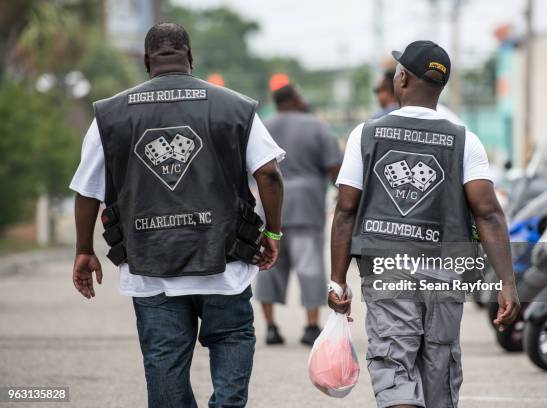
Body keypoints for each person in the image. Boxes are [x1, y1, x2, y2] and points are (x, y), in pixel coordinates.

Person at [69, 23, 286, 408]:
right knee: (232, 338)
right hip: (226, 267)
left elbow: (88, 190)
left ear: (147, 61)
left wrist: (83, 249)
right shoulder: (235, 107)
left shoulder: (110, 115)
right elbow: (268, 173)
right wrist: (273, 234)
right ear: (190, 57)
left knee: (163, 363)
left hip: (150, 270)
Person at [328, 41, 520, 408]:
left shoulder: (365, 135)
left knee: (394, 369)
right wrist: (507, 282)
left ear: (401, 79)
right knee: (439, 372)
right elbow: (489, 213)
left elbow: (346, 211)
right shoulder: (466, 140)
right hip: (446, 272)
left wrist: (337, 281)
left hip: (387, 271)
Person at [254, 83, 343, 346]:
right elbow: (335, 168)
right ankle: (311, 326)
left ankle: (271, 328)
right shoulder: (317, 126)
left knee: (268, 265)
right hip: (307, 205)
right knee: (310, 266)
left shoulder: (262, 126)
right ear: (293, 99)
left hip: (269, 206)